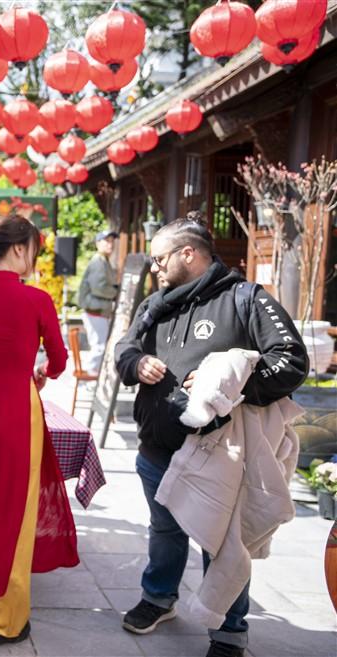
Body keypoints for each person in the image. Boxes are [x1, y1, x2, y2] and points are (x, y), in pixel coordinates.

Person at [115, 218, 308, 657]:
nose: (155, 268)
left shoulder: (245, 298)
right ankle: (159, 598)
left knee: (222, 541)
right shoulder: (154, 303)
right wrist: (137, 363)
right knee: (163, 529)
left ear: (189, 254)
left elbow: (292, 360)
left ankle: (229, 630)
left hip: (218, 454)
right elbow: (123, 349)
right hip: (156, 448)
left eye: (161, 258)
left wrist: (233, 384)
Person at [0, 216, 79, 651]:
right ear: (21, 249)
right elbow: (60, 360)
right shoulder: (36, 300)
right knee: (12, 510)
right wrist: (42, 372)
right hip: (15, 412)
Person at [77, 230, 119, 375]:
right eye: (106, 241)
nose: (110, 244)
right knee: (99, 346)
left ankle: (91, 376)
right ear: (97, 243)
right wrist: (116, 292)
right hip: (95, 310)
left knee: (99, 345)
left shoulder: (103, 260)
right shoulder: (98, 261)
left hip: (98, 309)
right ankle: (90, 377)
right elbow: (98, 288)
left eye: (112, 241)